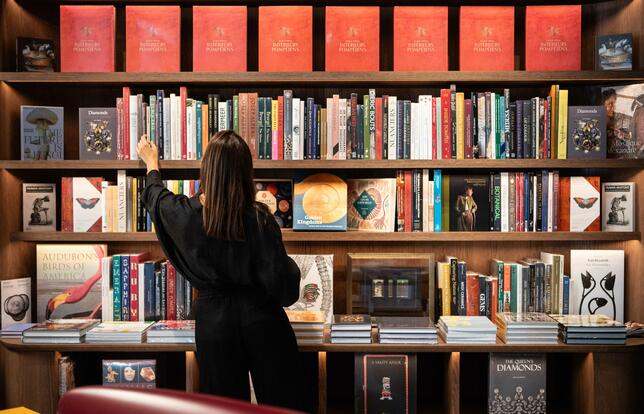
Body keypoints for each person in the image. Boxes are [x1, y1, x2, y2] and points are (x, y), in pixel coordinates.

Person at [137, 130, 309, 411]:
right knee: (284, 403)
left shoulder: (186, 215)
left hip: (214, 323)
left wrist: (152, 164)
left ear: (207, 169)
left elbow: (156, 198)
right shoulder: (259, 218)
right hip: (263, 318)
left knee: (225, 408)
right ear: (245, 171)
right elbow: (284, 285)